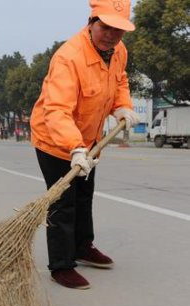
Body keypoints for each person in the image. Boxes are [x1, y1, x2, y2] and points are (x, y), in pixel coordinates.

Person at [30, 0, 140, 290]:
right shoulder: (68, 57)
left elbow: (120, 81)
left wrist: (122, 107)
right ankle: (61, 265)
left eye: (119, 31)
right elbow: (56, 110)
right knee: (63, 203)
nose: (111, 35)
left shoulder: (118, 51)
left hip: (89, 141)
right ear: (91, 21)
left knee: (83, 195)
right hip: (55, 140)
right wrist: (74, 148)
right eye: (105, 27)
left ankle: (82, 246)